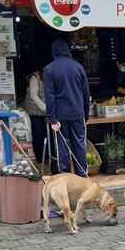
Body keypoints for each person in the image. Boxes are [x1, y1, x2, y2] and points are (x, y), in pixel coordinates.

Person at [44, 39, 90, 177]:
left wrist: (52, 117)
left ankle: (65, 177)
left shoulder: (49, 69)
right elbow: (86, 93)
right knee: (80, 145)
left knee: (62, 147)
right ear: (67, 50)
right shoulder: (78, 67)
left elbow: (49, 96)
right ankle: (82, 177)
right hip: (78, 114)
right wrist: (86, 114)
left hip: (60, 116)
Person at [24, 69, 47, 163]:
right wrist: (46, 109)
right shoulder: (35, 77)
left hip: (44, 112)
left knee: (44, 134)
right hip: (34, 111)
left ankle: (44, 157)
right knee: (38, 134)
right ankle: (39, 158)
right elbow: (34, 96)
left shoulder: (49, 76)